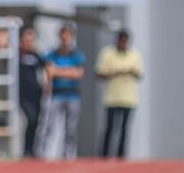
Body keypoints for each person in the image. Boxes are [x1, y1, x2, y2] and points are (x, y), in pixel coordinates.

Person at [39, 24, 85, 160]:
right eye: (62, 34)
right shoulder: (52, 54)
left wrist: (58, 71)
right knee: (49, 126)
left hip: (72, 95)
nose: (65, 38)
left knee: (70, 129)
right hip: (56, 95)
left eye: (67, 35)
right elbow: (49, 72)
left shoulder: (77, 55)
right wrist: (68, 71)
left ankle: (67, 156)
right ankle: (42, 155)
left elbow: (78, 74)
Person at [96, 30, 143, 158]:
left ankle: (121, 156)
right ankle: (104, 155)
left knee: (124, 130)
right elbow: (99, 73)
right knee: (110, 128)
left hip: (128, 98)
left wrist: (129, 72)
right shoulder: (107, 53)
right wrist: (115, 72)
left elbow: (139, 73)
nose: (122, 43)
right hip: (112, 98)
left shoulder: (134, 54)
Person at [18, 27, 46, 158]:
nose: (30, 42)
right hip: (23, 96)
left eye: (32, 40)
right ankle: (26, 149)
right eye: (27, 39)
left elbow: (47, 68)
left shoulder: (36, 56)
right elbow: (1, 43)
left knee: (36, 123)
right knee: (31, 118)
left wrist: (47, 84)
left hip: (36, 95)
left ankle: (33, 150)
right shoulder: (16, 54)